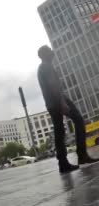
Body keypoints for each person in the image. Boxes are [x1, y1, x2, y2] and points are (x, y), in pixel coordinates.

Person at [37, 45, 98, 173]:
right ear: (44, 54)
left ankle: (63, 163)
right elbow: (54, 85)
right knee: (79, 120)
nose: (52, 52)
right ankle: (82, 155)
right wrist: (62, 102)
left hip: (51, 104)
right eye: (49, 51)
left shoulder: (41, 68)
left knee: (59, 132)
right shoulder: (47, 67)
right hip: (58, 101)